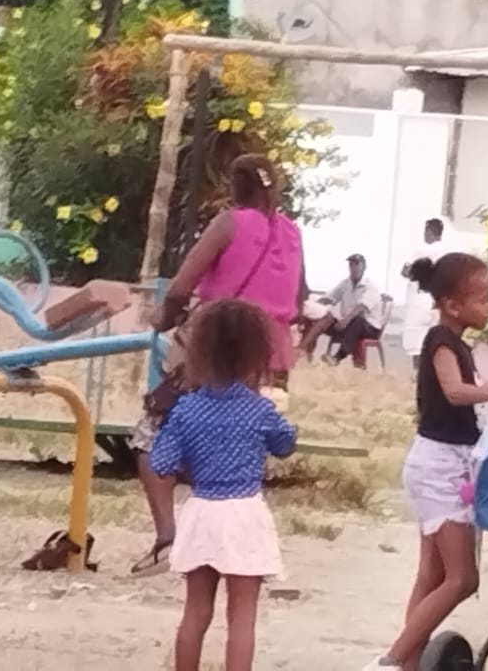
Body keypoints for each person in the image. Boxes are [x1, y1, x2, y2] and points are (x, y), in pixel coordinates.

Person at [130, 153, 306, 577]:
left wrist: (163, 319)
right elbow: (299, 296)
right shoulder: (292, 233)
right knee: (239, 441)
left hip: (215, 346)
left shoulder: (229, 223)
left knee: (150, 435)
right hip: (268, 353)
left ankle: (168, 539)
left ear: (235, 187)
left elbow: (181, 286)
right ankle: (239, 546)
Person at [364, 252, 488, 670]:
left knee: (431, 574)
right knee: (463, 578)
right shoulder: (441, 340)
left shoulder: (457, 343)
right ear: (452, 305)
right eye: (482, 299)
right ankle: (391, 661)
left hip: (446, 462)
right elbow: (454, 392)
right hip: (439, 466)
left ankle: (408, 662)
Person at [151, 298, 296, 671]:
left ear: (199, 352)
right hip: (244, 512)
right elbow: (284, 444)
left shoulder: (186, 409)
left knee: (195, 611)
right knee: (242, 616)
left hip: (202, 511)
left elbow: (161, 464)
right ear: (255, 355)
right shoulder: (258, 409)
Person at [298, 254, 387, 367]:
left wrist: (345, 321)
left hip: (369, 327)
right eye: (351, 264)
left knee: (358, 321)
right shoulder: (346, 283)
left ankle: (337, 357)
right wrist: (314, 307)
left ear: (364, 267)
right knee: (324, 317)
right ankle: (305, 352)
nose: (354, 267)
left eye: (357, 264)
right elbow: (330, 297)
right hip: (347, 325)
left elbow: (361, 308)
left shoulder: (370, 287)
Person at [402, 218, 455, 368]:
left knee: (416, 343)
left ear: (430, 231)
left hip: (419, 301)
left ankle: (419, 374)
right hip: (436, 301)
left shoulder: (422, 251)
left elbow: (406, 271)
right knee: (434, 341)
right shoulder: (448, 252)